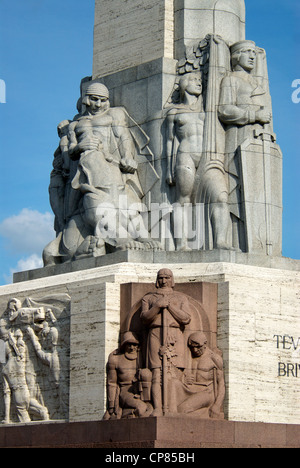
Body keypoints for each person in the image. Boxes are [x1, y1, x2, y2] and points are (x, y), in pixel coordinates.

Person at [141, 269, 191, 415]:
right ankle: (157, 408)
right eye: (161, 278)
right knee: (156, 372)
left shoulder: (181, 298)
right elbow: (144, 318)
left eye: (167, 278)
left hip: (175, 334)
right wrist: (157, 306)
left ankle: (173, 408)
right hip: (155, 333)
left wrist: (169, 306)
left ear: (172, 280)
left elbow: (186, 318)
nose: (164, 281)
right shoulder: (149, 298)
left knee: (173, 374)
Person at [104, 332, 152, 419]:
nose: (132, 348)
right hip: (125, 391)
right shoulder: (115, 359)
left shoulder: (141, 356)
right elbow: (112, 383)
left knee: (150, 408)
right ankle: (127, 414)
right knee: (141, 408)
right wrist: (111, 406)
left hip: (140, 390)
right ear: (124, 345)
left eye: (134, 344)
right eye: (129, 344)